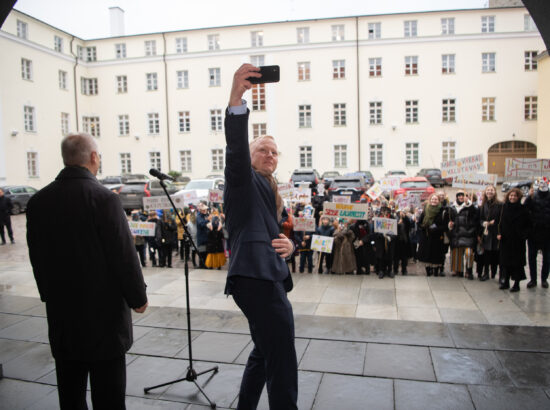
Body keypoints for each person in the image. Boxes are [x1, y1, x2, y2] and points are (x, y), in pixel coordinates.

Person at [26, 132, 148, 409]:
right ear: (93, 158)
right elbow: (123, 255)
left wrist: (48, 294)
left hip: (62, 317)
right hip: (103, 320)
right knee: (109, 397)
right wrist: (137, 298)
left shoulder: (38, 202)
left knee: (70, 396)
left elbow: (36, 257)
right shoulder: (103, 199)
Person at [223, 64, 297, 410]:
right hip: (256, 278)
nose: (270, 155)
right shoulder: (242, 181)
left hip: (266, 274)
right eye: (263, 149)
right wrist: (237, 99)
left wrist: (290, 245)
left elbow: (275, 235)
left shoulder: (271, 189)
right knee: (281, 358)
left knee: (263, 352)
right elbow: (236, 152)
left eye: (275, 151)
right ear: (250, 157)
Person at [497, 188, 530, 292]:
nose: (512, 197)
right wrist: (499, 233)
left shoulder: (523, 209)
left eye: (514, 196)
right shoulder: (504, 207)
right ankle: (505, 282)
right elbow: (499, 222)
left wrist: (523, 235)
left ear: (518, 197)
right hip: (505, 239)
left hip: (517, 241)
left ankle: (516, 284)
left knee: (517, 263)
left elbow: (529, 225)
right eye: (511, 195)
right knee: (505, 262)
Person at [524, 179, 550, 288]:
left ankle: (544, 279)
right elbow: (525, 209)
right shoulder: (533, 196)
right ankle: (533, 279)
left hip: (547, 233)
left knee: (547, 258)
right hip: (533, 232)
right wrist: (528, 198)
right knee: (531, 257)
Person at [448, 191, 479, 279]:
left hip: (468, 235)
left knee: (469, 253)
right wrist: (450, 225)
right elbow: (449, 219)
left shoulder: (471, 207)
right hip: (456, 234)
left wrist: (468, 203)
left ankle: (469, 271)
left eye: (463, 196)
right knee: (456, 254)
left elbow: (474, 213)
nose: (461, 197)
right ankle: (458, 270)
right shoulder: (452, 207)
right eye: (459, 196)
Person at [417, 194, 447, 277]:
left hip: (437, 238)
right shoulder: (425, 209)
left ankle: (436, 271)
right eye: (432, 199)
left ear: (439, 201)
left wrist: (436, 228)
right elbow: (419, 222)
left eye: (436, 199)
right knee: (426, 255)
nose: (434, 201)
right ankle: (428, 271)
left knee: (436, 255)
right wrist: (423, 227)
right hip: (426, 237)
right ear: (430, 200)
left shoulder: (442, 211)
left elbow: (444, 225)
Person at [478, 185, 502, 281]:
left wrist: (494, 222)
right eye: (488, 190)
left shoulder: (500, 204)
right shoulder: (483, 205)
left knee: (496, 254)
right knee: (486, 253)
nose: (490, 192)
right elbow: (480, 219)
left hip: (496, 232)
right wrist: (483, 223)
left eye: (491, 190)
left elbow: (501, 218)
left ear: (495, 192)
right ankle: (486, 272)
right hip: (486, 232)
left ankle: (494, 272)